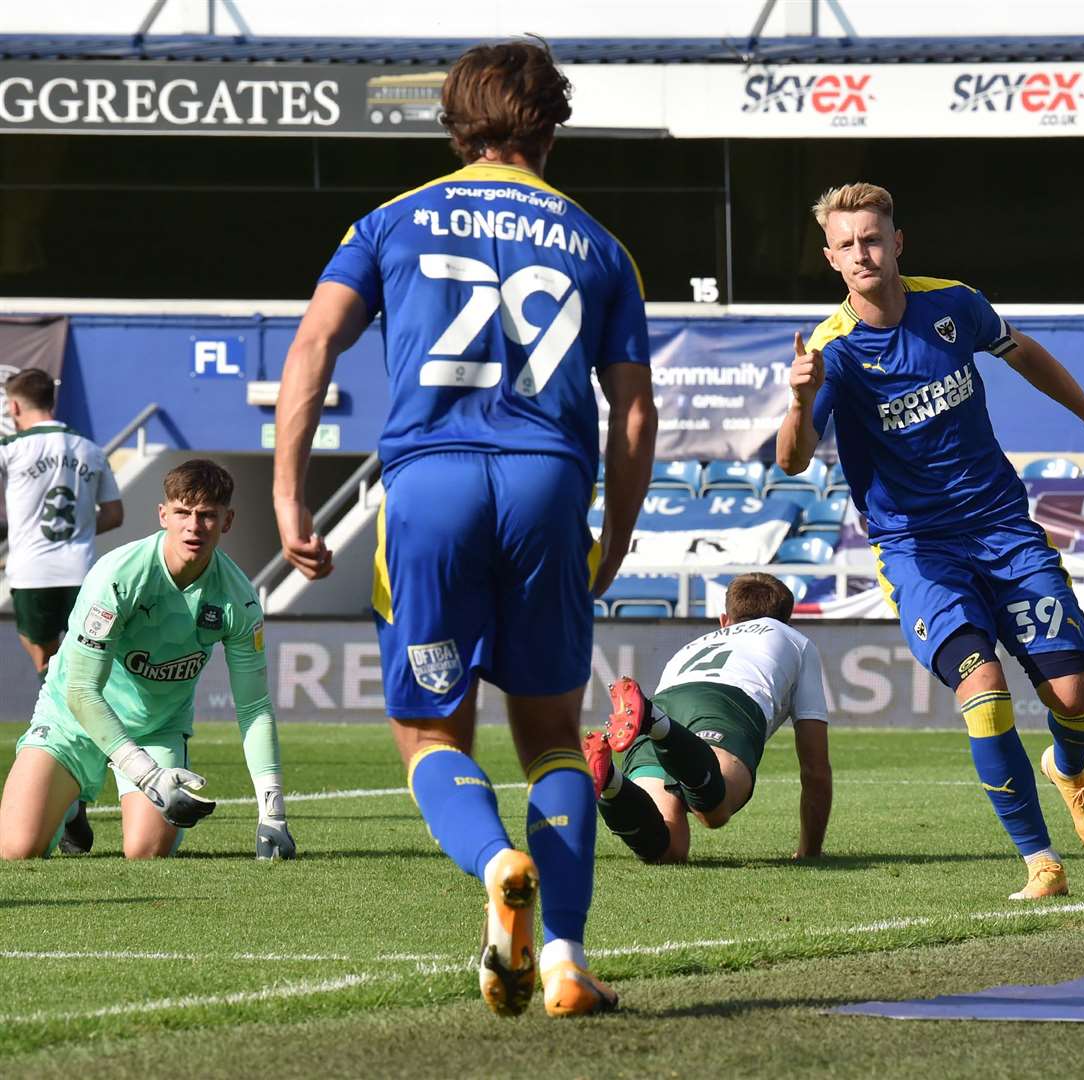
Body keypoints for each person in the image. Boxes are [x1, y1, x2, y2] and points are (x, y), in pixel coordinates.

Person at [272, 40, 655, 1020]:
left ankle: (496, 863)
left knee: (428, 729)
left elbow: (314, 343)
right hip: (548, 486)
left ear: (452, 121)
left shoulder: (390, 219)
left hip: (430, 487)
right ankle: (565, 958)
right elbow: (636, 413)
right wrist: (613, 532)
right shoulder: (603, 246)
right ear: (552, 127)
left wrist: (287, 496)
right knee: (552, 739)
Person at [775, 182, 1084, 901]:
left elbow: (1023, 352)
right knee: (982, 690)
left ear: (897, 241)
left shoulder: (953, 304)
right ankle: (1040, 861)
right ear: (831, 257)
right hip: (919, 551)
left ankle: (1069, 770)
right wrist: (799, 398)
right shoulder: (836, 352)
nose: (863, 251)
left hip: (1004, 530)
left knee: (1073, 696)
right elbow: (791, 460)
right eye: (847, 243)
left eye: (873, 237)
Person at [0, 458, 294, 862]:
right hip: (72, 719)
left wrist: (272, 812)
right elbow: (82, 691)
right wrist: (146, 774)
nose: (194, 526)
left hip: (156, 729)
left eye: (208, 515)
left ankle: (75, 798)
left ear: (227, 522)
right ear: (163, 515)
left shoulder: (239, 599)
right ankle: (70, 805)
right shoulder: (116, 576)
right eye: (183, 513)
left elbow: (255, 706)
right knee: (16, 849)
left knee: (145, 852)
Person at [584, 573, 832, 864]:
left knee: (670, 850)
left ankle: (612, 782)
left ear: (724, 620)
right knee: (713, 812)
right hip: (724, 705)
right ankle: (654, 723)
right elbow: (815, 768)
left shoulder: (691, 647)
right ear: (786, 621)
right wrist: (810, 851)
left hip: (661, 707)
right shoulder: (795, 640)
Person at [2, 367, 125, 852]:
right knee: (82, 675)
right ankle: (74, 795)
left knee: (48, 674)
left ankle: (64, 791)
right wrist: (77, 533)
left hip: (32, 573)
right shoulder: (91, 449)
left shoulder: (12, 450)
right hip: (83, 571)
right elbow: (114, 513)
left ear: (14, 407)